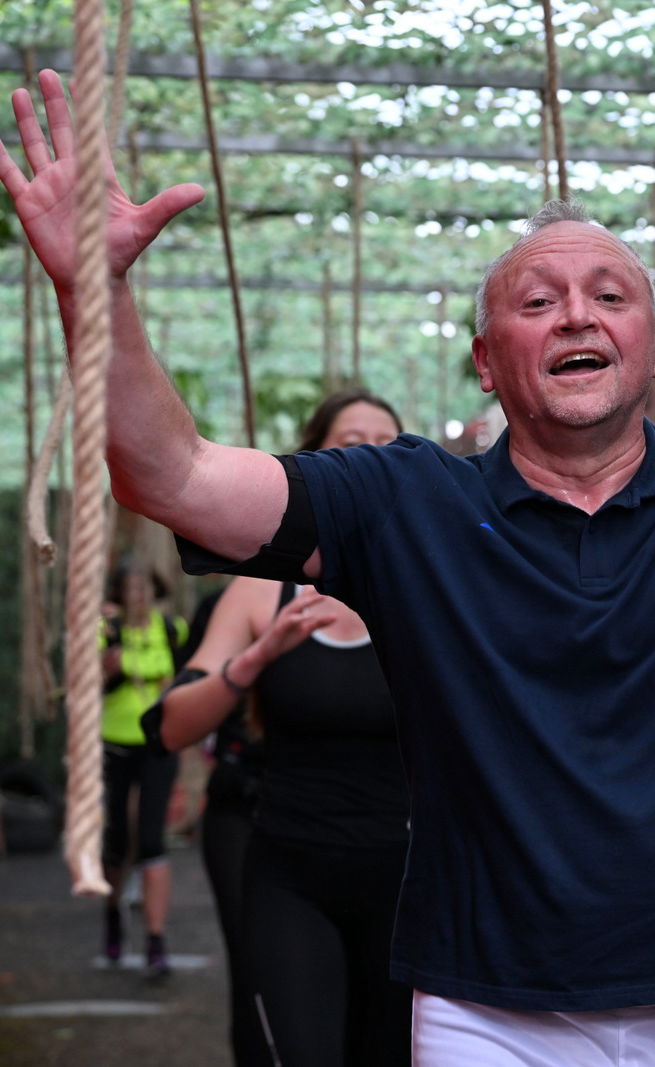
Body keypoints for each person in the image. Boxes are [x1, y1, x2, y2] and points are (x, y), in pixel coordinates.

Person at [0, 75, 655, 1065]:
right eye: (537, 301)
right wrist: (96, 291)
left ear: (651, 343)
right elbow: (170, 475)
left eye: (609, 294)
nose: (577, 314)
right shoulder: (405, 501)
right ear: (486, 362)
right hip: (485, 1006)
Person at [145, 388, 413, 1067]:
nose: (371, 456)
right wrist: (256, 658)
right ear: (314, 460)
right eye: (351, 442)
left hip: (404, 873)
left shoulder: (429, 584)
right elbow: (171, 727)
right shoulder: (261, 591)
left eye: (387, 444)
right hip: (289, 868)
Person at [99, 560, 188, 978]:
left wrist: (134, 665)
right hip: (114, 743)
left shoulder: (172, 630)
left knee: (152, 839)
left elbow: (180, 675)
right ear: (118, 593)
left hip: (158, 745)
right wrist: (119, 666)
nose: (137, 595)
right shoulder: (105, 630)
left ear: (155, 590)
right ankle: (112, 913)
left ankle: (155, 941)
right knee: (116, 841)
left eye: (143, 587)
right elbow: (92, 672)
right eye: (129, 588)